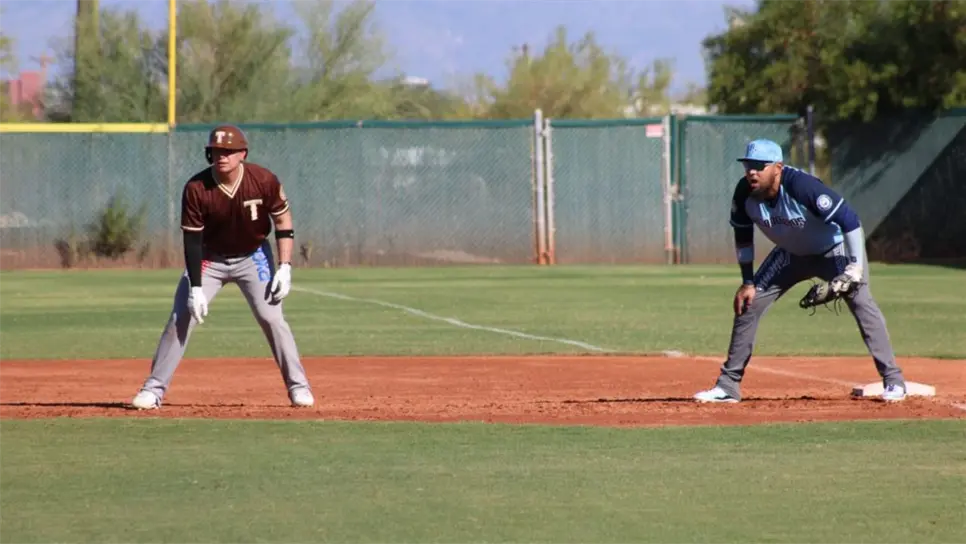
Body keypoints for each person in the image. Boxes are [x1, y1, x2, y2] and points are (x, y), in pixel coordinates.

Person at [693, 139, 907, 403]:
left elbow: (850, 220)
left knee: (861, 301)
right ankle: (728, 386)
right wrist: (747, 281)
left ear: (778, 167)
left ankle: (894, 381)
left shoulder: (801, 186)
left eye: (760, 166)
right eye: (748, 165)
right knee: (749, 303)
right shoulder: (744, 193)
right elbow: (743, 237)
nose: (752, 172)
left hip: (834, 251)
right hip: (790, 254)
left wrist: (854, 268)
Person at [131, 124, 314, 409]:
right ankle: (153, 390)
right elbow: (192, 241)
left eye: (228, 151)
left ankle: (298, 387)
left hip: (253, 255)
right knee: (182, 316)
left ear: (243, 154)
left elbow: (282, 220)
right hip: (210, 258)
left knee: (272, 318)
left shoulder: (263, 180)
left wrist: (285, 266)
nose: (222, 156)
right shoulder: (197, 188)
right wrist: (195, 287)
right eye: (216, 151)